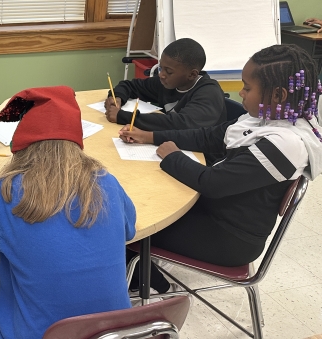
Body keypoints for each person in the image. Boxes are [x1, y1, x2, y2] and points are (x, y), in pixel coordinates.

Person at [0, 86, 136, 339]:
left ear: (20, 147)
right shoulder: (107, 183)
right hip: (112, 335)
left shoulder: (8, 193)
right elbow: (129, 228)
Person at [120, 44, 322, 293]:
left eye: (247, 88)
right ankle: (142, 278)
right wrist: (149, 136)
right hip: (215, 210)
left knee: (129, 227)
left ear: (278, 95)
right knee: (139, 203)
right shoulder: (266, 117)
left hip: (229, 237)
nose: (241, 92)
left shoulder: (286, 145)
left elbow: (211, 183)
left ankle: (160, 289)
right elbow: (210, 136)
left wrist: (172, 156)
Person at [105, 38, 226, 131]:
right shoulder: (168, 82)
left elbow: (179, 124)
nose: (161, 75)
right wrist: (117, 97)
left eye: (169, 71)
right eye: (161, 68)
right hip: (171, 142)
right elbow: (131, 86)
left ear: (192, 74)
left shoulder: (208, 94)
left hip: (201, 153)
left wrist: (124, 117)